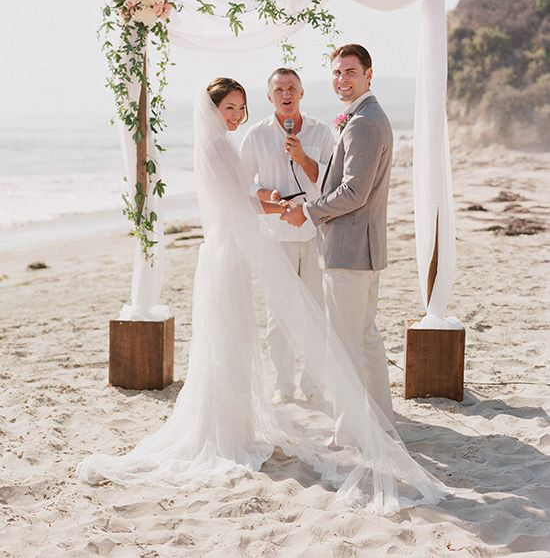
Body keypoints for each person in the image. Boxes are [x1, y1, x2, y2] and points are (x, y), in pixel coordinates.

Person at [77, 77, 446, 513]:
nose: (235, 116)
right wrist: (284, 207)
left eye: (240, 108)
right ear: (212, 111)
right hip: (226, 256)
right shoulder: (218, 147)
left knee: (233, 341)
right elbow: (241, 202)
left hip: (226, 255)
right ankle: (225, 433)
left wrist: (274, 200)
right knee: (230, 340)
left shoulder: (222, 145)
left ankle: (235, 427)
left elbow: (245, 195)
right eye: (228, 109)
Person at [281, 44, 394, 439]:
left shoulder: (363, 122)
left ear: (368, 74)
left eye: (349, 71)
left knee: (347, 345)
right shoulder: (366, 116)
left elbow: (354, 193)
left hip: (350, 248)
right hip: (362, 247)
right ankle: (380, 424)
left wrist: (310, 211)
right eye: (336, 72)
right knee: (364, 339)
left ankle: (352, 432)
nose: (341, 79)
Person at [240, 68, 335, 402]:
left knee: (315, 312)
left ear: (302, 93)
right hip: (274, 234)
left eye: (292, 88)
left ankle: (313, 385)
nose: (286, 94)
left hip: (312, 232)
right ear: (269, 97)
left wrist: (302, 156)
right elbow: (242, 183)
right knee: (277, 315)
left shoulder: (322, 133)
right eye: (279, 89)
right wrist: (266, 193)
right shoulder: (255, 135)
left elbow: (330, 183)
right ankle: (283, 385)